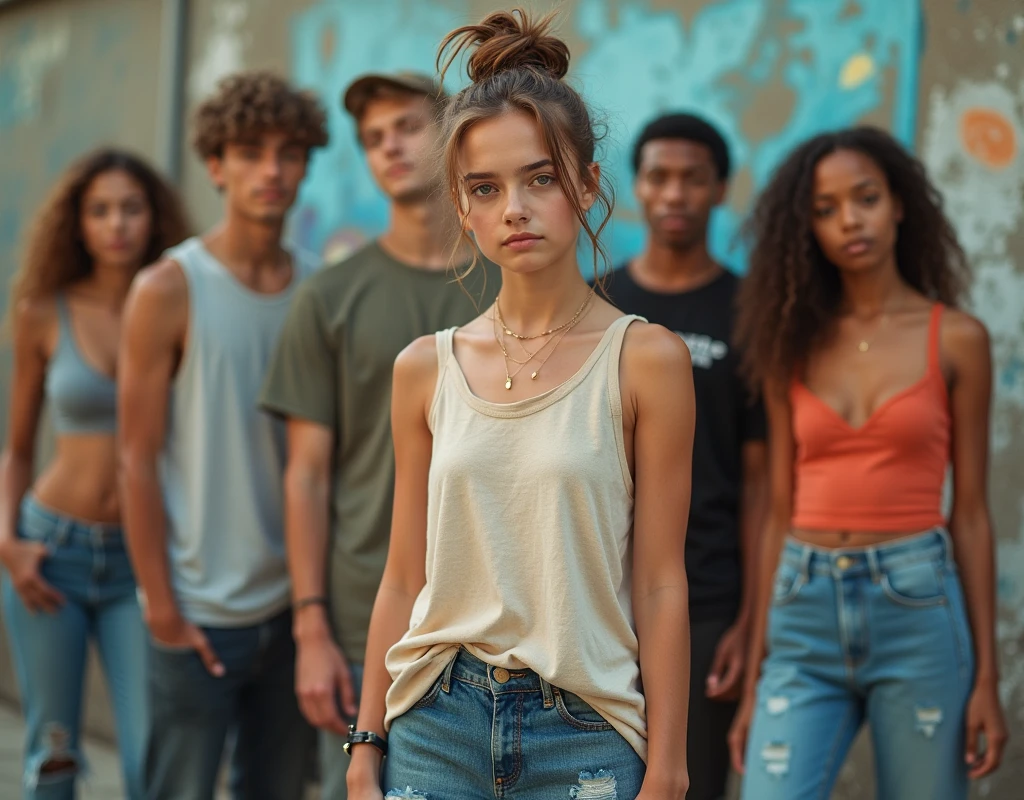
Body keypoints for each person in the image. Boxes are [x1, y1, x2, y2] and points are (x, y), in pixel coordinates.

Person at [345, 9, 694, 800]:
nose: (514, 208)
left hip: (585, 729)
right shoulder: (424, 369)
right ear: (462, 208)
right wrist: (366, 744)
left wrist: (669, 767)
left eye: (541, 178)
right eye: (485, 187)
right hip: (435, 721)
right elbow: (403, 576)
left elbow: (661, 581)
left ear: (587, 186)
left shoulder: (648, 360)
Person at [728, 126, 1008, 799]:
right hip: (802, 605)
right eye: (824, 210)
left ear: (900, 204)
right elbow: (777, 512)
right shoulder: (786, 339)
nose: (849, 220)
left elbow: (969, 514)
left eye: (866, 198)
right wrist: (754, 683)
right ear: (806, 230)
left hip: (915, 604)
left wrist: (987, 680)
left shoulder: (958, 339)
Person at [258, 70, 499, 799]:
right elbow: (305, 474)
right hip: (370, 605)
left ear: (451, 138)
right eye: (372, 138)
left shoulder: (510, 283)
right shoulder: (329, 296)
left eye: (407, 127)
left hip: (496, 612)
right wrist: (311, 630)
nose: (390, 146)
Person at [117, 71, 329, 799]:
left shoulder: (316, 288)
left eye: (290, 152)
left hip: (291, 612)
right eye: (250, 151)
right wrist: (163, 610)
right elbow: (135, 461)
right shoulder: (168, 288)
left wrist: (313, 613)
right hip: (198, 613)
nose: (272, 170)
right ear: (216, 164)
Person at [0, 148, 189, 800]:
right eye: (99, 210)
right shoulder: (40, 312)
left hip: (141, 559)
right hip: (53, 552)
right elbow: (18, 448)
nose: (117, 224)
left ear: (153, 218)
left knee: (149, 761)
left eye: (131, 208)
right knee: (52, 757)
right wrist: (8, 541)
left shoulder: (178, 304)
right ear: (76, 223)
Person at [602, 112, 768, 800]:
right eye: (659, 177)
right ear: (636, 187)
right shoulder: (600, 304)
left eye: (693, 179)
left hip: (705, 602)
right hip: (603, 599)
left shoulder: (750, 309)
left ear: (720, 189)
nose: (674, 194)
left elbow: (764, 486)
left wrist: (751, 626)